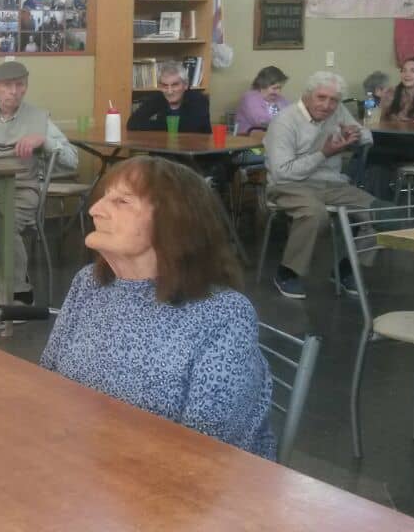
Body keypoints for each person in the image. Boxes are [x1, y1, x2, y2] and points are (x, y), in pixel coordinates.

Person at [39, 156, 275, 459]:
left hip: (183, 492)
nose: (95, 210)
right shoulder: (89, 284)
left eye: (122, 201)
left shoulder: (224, 315)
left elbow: (203, 453)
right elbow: (47, 383)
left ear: (174, 220)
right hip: (84, 468)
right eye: (102, 200)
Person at [0, 61, 78, 302]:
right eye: (7, 85)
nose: (14, 92)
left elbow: (72, 161)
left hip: (20, 190)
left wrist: (45, 141)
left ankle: (17, 291)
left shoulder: (38, 118)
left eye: (20, 85)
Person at [264, 71, 377, 299]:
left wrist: (354, 133)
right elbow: (282, 172)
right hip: (288, 185)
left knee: (379, 212)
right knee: (314, 214)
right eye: (321, 97)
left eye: (333, 100)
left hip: (331, 184)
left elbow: (367, 137)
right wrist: (324, 153)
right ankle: (287, 272)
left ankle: (346, 269)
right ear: (307, 96)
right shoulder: (285, 121)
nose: (327, 105)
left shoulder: (337, 112)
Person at [127, 62, 211, 133]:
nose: (169, 91)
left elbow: (189, 128)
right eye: (164, 85)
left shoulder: (199, 100)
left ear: (185, 85)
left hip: (194, 149)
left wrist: (157, 125)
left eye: (175, 85)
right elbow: (132, 123)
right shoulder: (158, 97)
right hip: (164, 148)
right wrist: (165, 126)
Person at [234, 66, 289, 134]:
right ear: (262, 86)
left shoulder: (281, 99)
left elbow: (290, 116)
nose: (278, 92)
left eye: (280, 88)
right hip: (248, 138)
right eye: (274, 88)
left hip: (273, 138)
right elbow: (260, 121)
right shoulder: (250, 98)